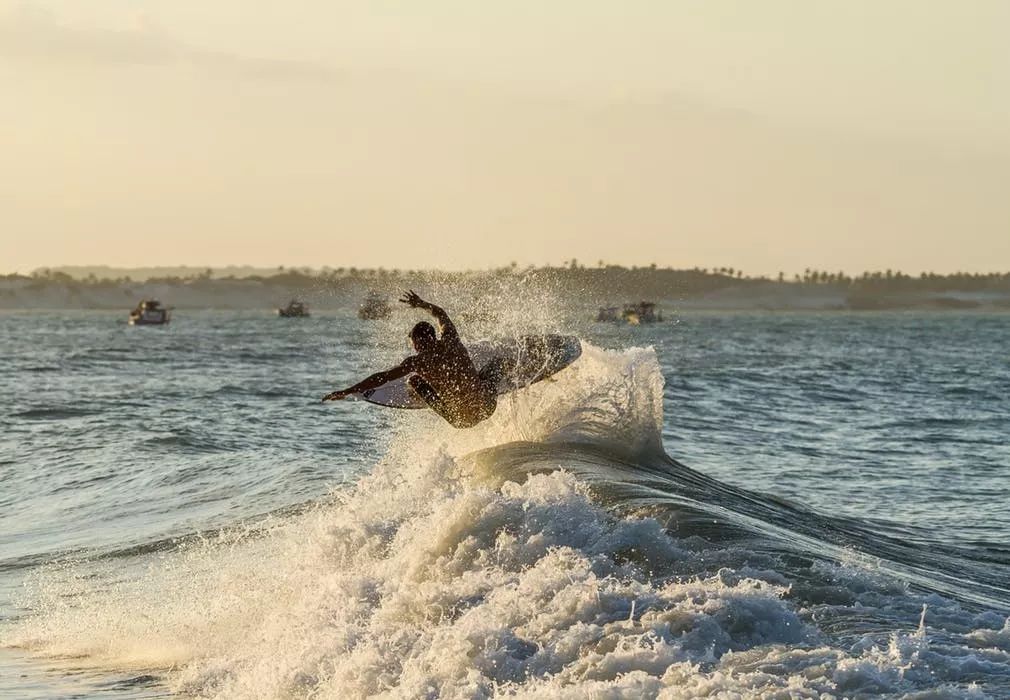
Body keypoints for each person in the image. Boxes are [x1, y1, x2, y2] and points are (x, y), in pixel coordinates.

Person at [322, 291, 506, 428]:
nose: (414, 347)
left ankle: (417, 393)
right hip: (487, 407)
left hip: (460, 420)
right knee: (497, 364)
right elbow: (440, 314)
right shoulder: (451, 340)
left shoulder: (416, 362)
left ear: (417, 341)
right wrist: (420, 303)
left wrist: (348, 390)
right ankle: (509, 369)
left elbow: (382, 378)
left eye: (413, 343)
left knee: (413, 380)